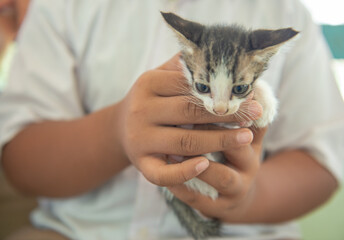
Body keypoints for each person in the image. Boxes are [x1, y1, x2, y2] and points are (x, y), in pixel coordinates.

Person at [0, 0, 343, 239]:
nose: (220, 109)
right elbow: (18, 159)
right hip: (79, 231)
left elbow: (324, 162)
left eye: (238, 88)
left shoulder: (285, 8)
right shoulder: (62, 6)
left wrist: (247, 199)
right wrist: (116, 131)